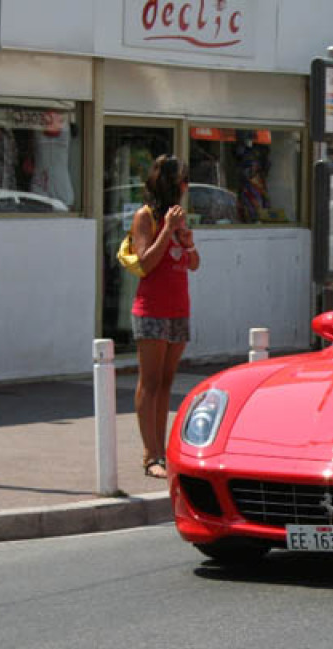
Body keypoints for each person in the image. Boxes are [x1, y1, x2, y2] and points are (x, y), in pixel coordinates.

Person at [128, 155, 200, 479]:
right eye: (181, 181)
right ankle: (150, 455)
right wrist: (167, 230)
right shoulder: (145, 217)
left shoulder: (179, 219)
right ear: (168, 183)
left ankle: (162, 450)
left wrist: (188, 242)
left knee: (166, 382)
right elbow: (144, 262)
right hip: (152, 308)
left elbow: (194, 264)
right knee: (151, 381)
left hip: (178, 308)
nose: (185, 187)